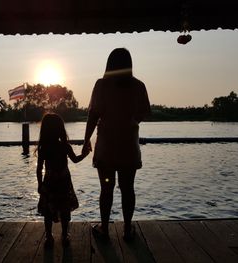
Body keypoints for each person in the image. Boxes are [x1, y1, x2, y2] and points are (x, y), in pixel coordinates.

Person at [82, 48, 151, 241]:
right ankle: (127, 229)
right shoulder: (138, 86)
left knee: (107, 188)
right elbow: (144, 112)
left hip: (106, 146)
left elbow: (93, 115)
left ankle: (104, 229)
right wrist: (130, 121)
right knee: (128, 188)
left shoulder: (101, 85)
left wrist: (86, 139)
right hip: (129, 144)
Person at [36, 113, 89, 247]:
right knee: (65, 209)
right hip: (63, 181)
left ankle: (49, 236)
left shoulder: (44, 148)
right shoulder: (64, 146)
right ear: (60, 129)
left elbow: (39, 169)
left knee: (48, 211)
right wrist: (85, 154)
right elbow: (75, 160)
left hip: (49, 181)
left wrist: (40, 184)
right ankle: (64, 235)